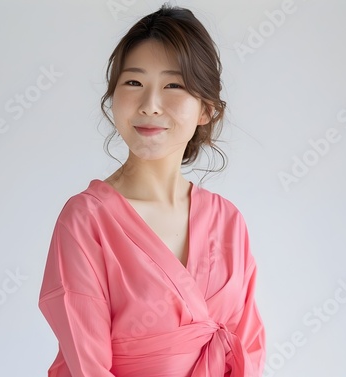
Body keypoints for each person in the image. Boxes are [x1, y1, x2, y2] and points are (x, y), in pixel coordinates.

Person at [39, 4, 266, 376]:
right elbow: (87, 367)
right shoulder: (86, 221)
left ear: (206, 108)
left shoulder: (228, 220)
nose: (150, 105)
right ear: (113, 98)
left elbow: (249, 348)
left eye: (173, 85)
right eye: (133, 83)